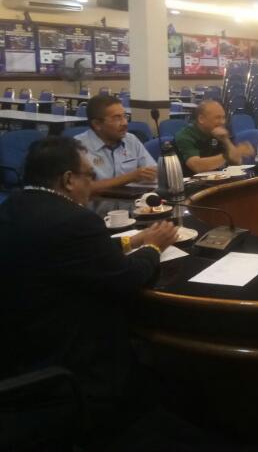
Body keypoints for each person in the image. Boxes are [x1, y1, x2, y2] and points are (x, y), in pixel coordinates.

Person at [0, 137, 178, 445]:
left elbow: (71, 253)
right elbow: (128, 280)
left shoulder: (13, 206)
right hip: (72, 367)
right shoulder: (76, 220)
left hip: (18, 351)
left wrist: (132, 241)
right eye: (89, 176)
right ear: (68, 180)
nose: (92, 185)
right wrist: (153, 247)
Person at [75, 94, 157, 193]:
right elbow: (83, 188)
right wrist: (131, 177)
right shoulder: (78, 147)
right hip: (97, 201)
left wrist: (151, 174)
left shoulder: (131, 140)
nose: (124, 123)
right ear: (97, 124)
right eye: (117, 118)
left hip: (132, 199)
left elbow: (153, 172)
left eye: (125, 116)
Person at [174, 100, 254, 176]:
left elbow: (236, 162)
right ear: (201, 119)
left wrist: (226, 140)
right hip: (192, 183)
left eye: (223, 117)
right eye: (217, 118)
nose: (222, 122)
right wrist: (227, 156)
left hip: (219, 180)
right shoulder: (185, 136)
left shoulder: (220, 132)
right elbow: (197, 166)